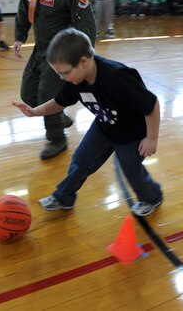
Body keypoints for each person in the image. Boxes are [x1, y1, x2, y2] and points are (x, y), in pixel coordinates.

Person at [12, 28, 163, 217]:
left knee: (130, 169)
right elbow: (59, 102)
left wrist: (151, 138)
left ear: (83, 61)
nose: (62, 78)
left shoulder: (117, 78)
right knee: (80, 161)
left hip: (131, 134)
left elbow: (152, 105)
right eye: (58, 73)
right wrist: (34, 111)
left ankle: (152, 197)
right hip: (104, 126)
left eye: (64, 73)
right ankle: (63, 197)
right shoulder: (75, 80)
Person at [13, 0, 96, 160]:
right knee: (28, 94)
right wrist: (20, 35)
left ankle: (57, 139)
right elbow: (24, 7)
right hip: (40, 49)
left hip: (60, 55)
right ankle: (59, 116)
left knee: (46, 95)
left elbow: (87, 31)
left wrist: (81, 65)